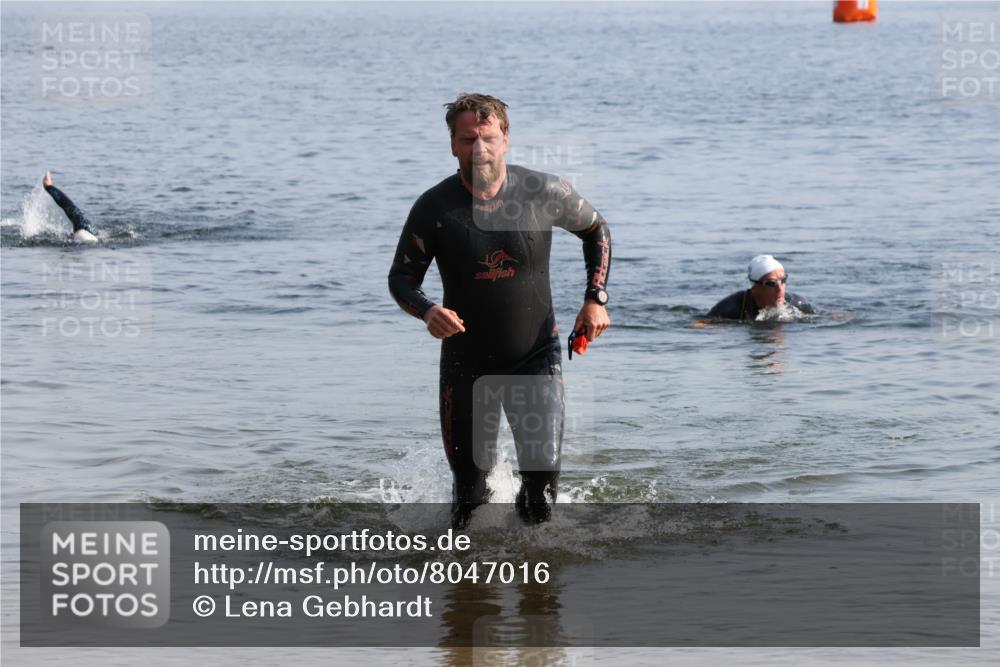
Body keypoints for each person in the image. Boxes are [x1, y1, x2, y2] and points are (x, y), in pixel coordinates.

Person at [388, 93, 612, 528]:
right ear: (453, 144)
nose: (480, 149)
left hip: (535, 355)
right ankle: (468, 590)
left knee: (542, 488)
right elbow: (401, 279)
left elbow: (596, 229)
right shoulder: (435, 209)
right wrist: (426, 310)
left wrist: (595, 298)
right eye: (468, 139)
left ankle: (539, 586)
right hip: (465, 363)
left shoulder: (544, 192)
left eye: (488, 138)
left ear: (506, 139)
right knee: (470, 497)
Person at [706, 255, 815, 321]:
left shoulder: (797, 303)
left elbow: (823, 316)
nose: (779, 288)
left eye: (783, 280)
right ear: (755, 288)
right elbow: (702, 323)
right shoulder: (732, 307)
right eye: (771, 283)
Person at [42, 171, 98, 243]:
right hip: (88, 234)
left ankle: (48, 186)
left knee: (73, 211)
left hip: (85, 235)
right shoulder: (84, 229)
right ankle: (48, 186)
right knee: (74, 213)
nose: (70, 234)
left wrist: (48, 187)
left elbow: (67, 204)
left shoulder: (81, 228)